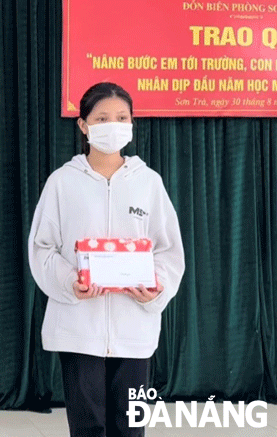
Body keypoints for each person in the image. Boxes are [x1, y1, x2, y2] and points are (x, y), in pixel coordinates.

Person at [28, 82, 185, 437]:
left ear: (131, 124)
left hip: (134, 328)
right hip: (79, 328)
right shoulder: (62, 183)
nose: (113, 125)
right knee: (89, 427)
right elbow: (42, 248)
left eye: (121, 117)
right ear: (83, 125)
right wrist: (71, 282)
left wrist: (156, 287)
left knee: (130, 428)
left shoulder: (148, 183)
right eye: (101, 118)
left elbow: (169, 251)